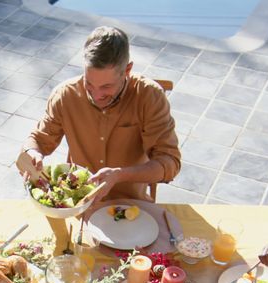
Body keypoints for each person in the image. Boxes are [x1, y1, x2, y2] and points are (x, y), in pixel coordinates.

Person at [22, 26, 181, 203]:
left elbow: (170, 163)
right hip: (79, 202)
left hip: (130, 202)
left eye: (107, 87)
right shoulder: (65, 95)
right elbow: (38, 139)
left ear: (127, 70)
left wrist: (120, 175)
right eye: (89, 83)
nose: (97, 96)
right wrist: (32, 152)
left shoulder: (150, 96)